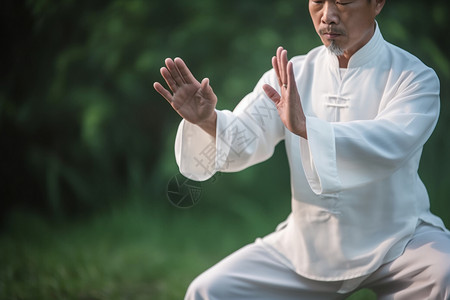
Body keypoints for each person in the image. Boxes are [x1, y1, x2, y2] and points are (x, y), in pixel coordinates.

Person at [154, 0, 450, 298]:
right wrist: (208, 120)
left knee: (445, 274)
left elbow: (390, 144)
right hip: (306, 246)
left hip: (396, 242)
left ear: (377, 3)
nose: (328, 16)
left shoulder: (413, 77)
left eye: (343, 2)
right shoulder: (291, 75)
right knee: (209, 291)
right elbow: (245, 136)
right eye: (318, 2)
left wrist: (307, 127)